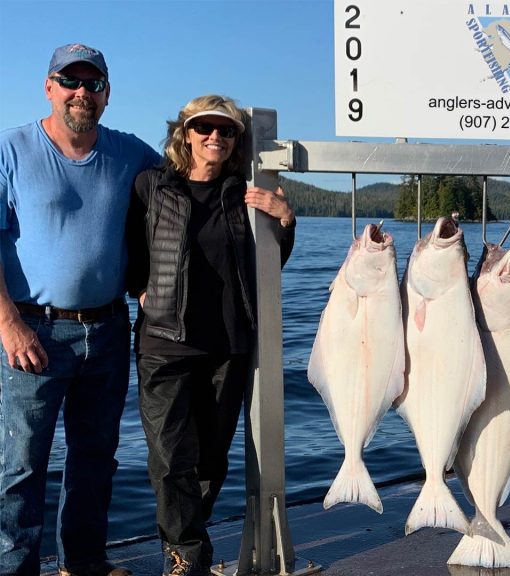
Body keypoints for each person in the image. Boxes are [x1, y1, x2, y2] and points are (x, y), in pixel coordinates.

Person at [0, 44, 161, 576]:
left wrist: (269, 205)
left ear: (107, 95)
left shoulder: (130, 153)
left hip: (110, 329)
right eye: (71, 81)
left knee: (95, 461)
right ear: (49, 86)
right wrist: (8, 324)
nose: (82, 93)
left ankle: (84, 564)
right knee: (22, 466)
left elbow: (189, 185)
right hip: (33, 333)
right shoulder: (12, 148)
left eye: (93, 85)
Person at [126, 95, 295, 576]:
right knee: (169, 458)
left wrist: (284, 220)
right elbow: (131, 250)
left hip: (228, 345)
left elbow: (269, 267)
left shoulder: (245, 193)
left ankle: (187, 550)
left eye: (226, 131)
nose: (215, 138)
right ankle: (187, 558)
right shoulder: (150, 187)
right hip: (164, 344)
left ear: (237, 140)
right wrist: (138, 287)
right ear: (185, 132)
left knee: (210, 460)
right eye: (205, 128)